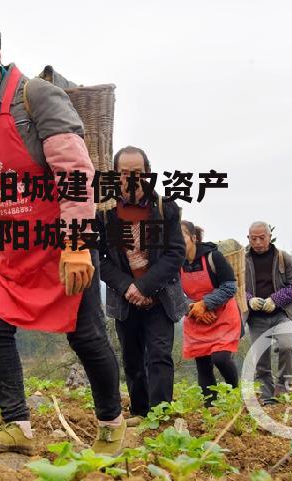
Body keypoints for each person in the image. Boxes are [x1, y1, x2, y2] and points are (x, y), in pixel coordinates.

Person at [0, 12, 125, 455]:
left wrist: (76, 246)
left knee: (86, 335)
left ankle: (112, 424)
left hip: (58, 244)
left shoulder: (36, 98)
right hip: (3, 250)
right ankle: (17, 425)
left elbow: (75, 174)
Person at [96, 146, 186, 426]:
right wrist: (127, 287)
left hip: (161, 297)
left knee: (159, 356)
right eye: (124, 173)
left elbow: (176, 253)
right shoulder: (105, 212)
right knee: (133, 359)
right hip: (125, 298)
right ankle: (140, 411)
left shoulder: (164, 207)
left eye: (137, 173)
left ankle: (160, 417)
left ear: (147, 173)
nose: (131, 179)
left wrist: (145, 286)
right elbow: (99, 256)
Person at [179, 221, 241, 406]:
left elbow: (230, 286)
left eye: (181, 236)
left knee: (220, 358)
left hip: (222, 315)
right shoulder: (174, 263)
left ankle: (234, 393)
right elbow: (172, 293)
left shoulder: (213, 257)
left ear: (193, 238)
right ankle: (210, 407)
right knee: (203, 364)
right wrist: (195, 309)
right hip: (196, 318)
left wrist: (206, 304)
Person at [244, 221, 292, 405]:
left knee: (286, 346)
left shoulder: (283, 258)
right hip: (256, 317)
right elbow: (235, 287)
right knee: (261, 358)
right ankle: (267, 396)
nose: (258, 242)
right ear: (248, 238)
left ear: (269, 237)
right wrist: (249, 299)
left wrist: (275, 300)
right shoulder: (242, 260)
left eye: (262, 238)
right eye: (254, 238)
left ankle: (283, 386)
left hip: (281, 313)